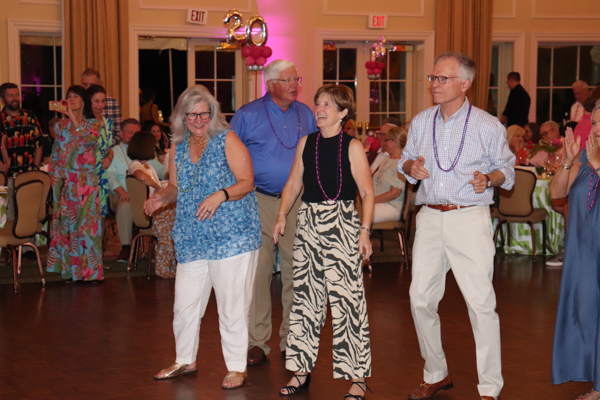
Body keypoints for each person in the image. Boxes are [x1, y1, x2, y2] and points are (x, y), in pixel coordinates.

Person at [399, 52, 515, 400]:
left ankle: (490, 388)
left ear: (465, 84)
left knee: (480, 304)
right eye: (433, 78)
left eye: (442, 79)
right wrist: (410, 167)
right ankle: (436, 373)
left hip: (469, 217)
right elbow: (405, 158)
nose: (435, 84)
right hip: (430, 217)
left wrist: (489, 179)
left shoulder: (487, 125)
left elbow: (506, 171)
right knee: (420, 299)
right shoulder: (421, 121)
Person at [146, 85, 260, 389]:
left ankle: (236, 366)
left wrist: (219, 195)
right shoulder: (177, 147)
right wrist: (160, 198)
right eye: (191, 114)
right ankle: (185, 359)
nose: (197, 120)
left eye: (203, 113)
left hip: (232, 236)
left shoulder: (227, 140)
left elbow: (247, 182)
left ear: (212, 114)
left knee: (232, 306)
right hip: (192, 236)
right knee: (184, 305)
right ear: (181, 117)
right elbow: (174, 187)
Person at [274, 84, 374, 399]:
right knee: (305, 302)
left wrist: (365, 230)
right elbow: (293, 184)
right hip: (308, 224)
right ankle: (300, 373)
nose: (319, 108)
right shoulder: (306, 142)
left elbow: (367, 193)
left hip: (343, 223)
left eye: (327, 104)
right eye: (318, 103)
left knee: (348, 303)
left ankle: (357, 379)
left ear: (343, 112)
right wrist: (281, 215)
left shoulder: (353, 146)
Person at [229, 59, 317, 365]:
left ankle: (292, 339)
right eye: (288, 79)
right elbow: (228, 156)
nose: (295, 84)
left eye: (296, 78)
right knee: (260, 272)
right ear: (271, 84)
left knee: (297, 271)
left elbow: (318, 155)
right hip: (258, 201)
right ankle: (257, 342)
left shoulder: (306, 113)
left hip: (297, 202)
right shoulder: (247, 115)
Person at [550, 104, 600, 400]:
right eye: (594, 122)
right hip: (583, 251)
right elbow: (556, 194)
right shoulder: (585, 155)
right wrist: (568, 162)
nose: (596, 128)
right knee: (585, 312)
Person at [46, 85, 103, 282]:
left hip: (84, 183)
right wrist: (53, 173)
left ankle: (89, 273)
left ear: (83, 101)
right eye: (68, 96)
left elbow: (87, 142)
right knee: (67, 227)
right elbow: (56, 152)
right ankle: (70, 271)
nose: (71, 99)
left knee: (84, 227)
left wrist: (73, 117)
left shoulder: (93, 124)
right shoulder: (60, 126)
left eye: (75, 96)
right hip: (64, 183)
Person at [107, 119, 168, 262]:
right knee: (126, 205)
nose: (134, 135)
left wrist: (167, 174)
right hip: (121, 194)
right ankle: (126, 247)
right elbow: (110, 176)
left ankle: (160, 249)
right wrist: (122, 191)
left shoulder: (144, 149)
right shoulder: (114, 152)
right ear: (121, 134)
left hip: (145, 195)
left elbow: (157, 166)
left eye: (137, 133)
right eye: (130, 132)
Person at [127, 131, 176, 278]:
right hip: (151, 212)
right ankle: (167, 267)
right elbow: (141, 177)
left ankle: (175, 262)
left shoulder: (149, 166)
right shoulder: (135, 166)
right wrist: (159, 188)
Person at [0, 82, 43, 176]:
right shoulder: (1, 119)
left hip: (29, 173)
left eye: (17, 95)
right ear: (2, 99)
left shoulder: (30, 117)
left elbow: (39, 144)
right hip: (7, 175)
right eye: (10, 96)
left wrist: (35, 167)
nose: (15, 98)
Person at [85, 84, 114, 220]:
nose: (100, 105)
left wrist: (109, 157)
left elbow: (110, 148)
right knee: (87, 216)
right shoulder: (83, 123)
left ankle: (100, 242)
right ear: (89, 101)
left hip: (102, 173)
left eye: (103, 101)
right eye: (96, 101)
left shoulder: (107, 122)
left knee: (101, 215)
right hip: (87, 173)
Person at [372, 126, 407, 223]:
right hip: (377, 203)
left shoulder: (402, 163)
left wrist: (370, 200)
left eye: (386, 140)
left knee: (361, 215)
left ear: (395, 142)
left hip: (392, 206)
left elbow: (394, 194)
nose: (384, 142)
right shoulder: (386, 159)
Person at [81, 68, 122, 141]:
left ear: (100, 84)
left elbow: (117, 132)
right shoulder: (79, 102)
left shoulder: (112, 103)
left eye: (91, 84)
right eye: (85, 84)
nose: (88, 87)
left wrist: (106, 147)